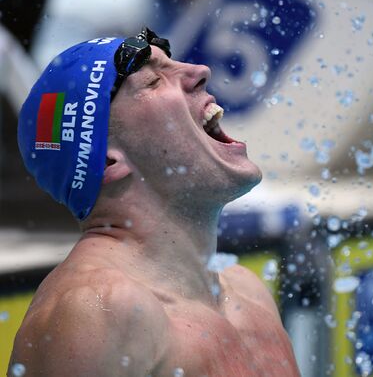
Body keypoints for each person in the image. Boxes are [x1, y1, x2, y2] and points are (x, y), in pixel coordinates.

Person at [9, 27, 300, 377]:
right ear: (106, 163)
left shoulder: (245, 290)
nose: (200, 72)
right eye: (153, 81)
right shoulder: (95, 312)